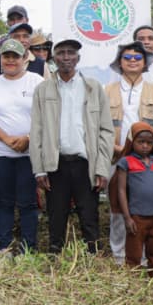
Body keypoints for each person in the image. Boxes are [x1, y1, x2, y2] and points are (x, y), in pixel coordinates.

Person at [29, 38, 114, 255]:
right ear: (53, 57)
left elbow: (106, 130)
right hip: (55, 163)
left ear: (78, 58)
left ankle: (91, 258)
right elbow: (36, 130)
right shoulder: (43, 89)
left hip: (86, 162)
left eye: (71, 53)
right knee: (56, 215)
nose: (66, 57)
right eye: (61, 53)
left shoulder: (93, 88)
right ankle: (55, 257)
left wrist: (102, 167)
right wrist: (39, 168)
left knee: (89, 215)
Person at [105, 41, 153, 264]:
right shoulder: (108, 90)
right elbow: (101, 126)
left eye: (137, 58)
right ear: (119, 63)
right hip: (116, 157)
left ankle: (142, 259)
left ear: (145, 63)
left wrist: (148, 152)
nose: (132, 61)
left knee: (145, 209)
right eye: (127, 58)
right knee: (117, 206)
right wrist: (119, 150)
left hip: (147, 161)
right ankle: (119, 257)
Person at [0, 39, 43, 255]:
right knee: (5, 201)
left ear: (25, 58)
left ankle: (28, 248)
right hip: (0, 152)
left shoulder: (36, 81)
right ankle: (4, 246)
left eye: (15, 56)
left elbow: (46, 116)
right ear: (1, 59)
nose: (11, 60)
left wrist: (27, 137)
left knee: (28, 202)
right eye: (7, 56)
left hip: (29, 152)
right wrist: (6, 139)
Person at [110, 122, 153, 275]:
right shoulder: (126, 162)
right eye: (140, 142)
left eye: (149, 143)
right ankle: (134, 284)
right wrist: (127, 217)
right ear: (132, 142)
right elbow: (121, 190)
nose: (145, 146)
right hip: (137, 216)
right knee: (134, 254)